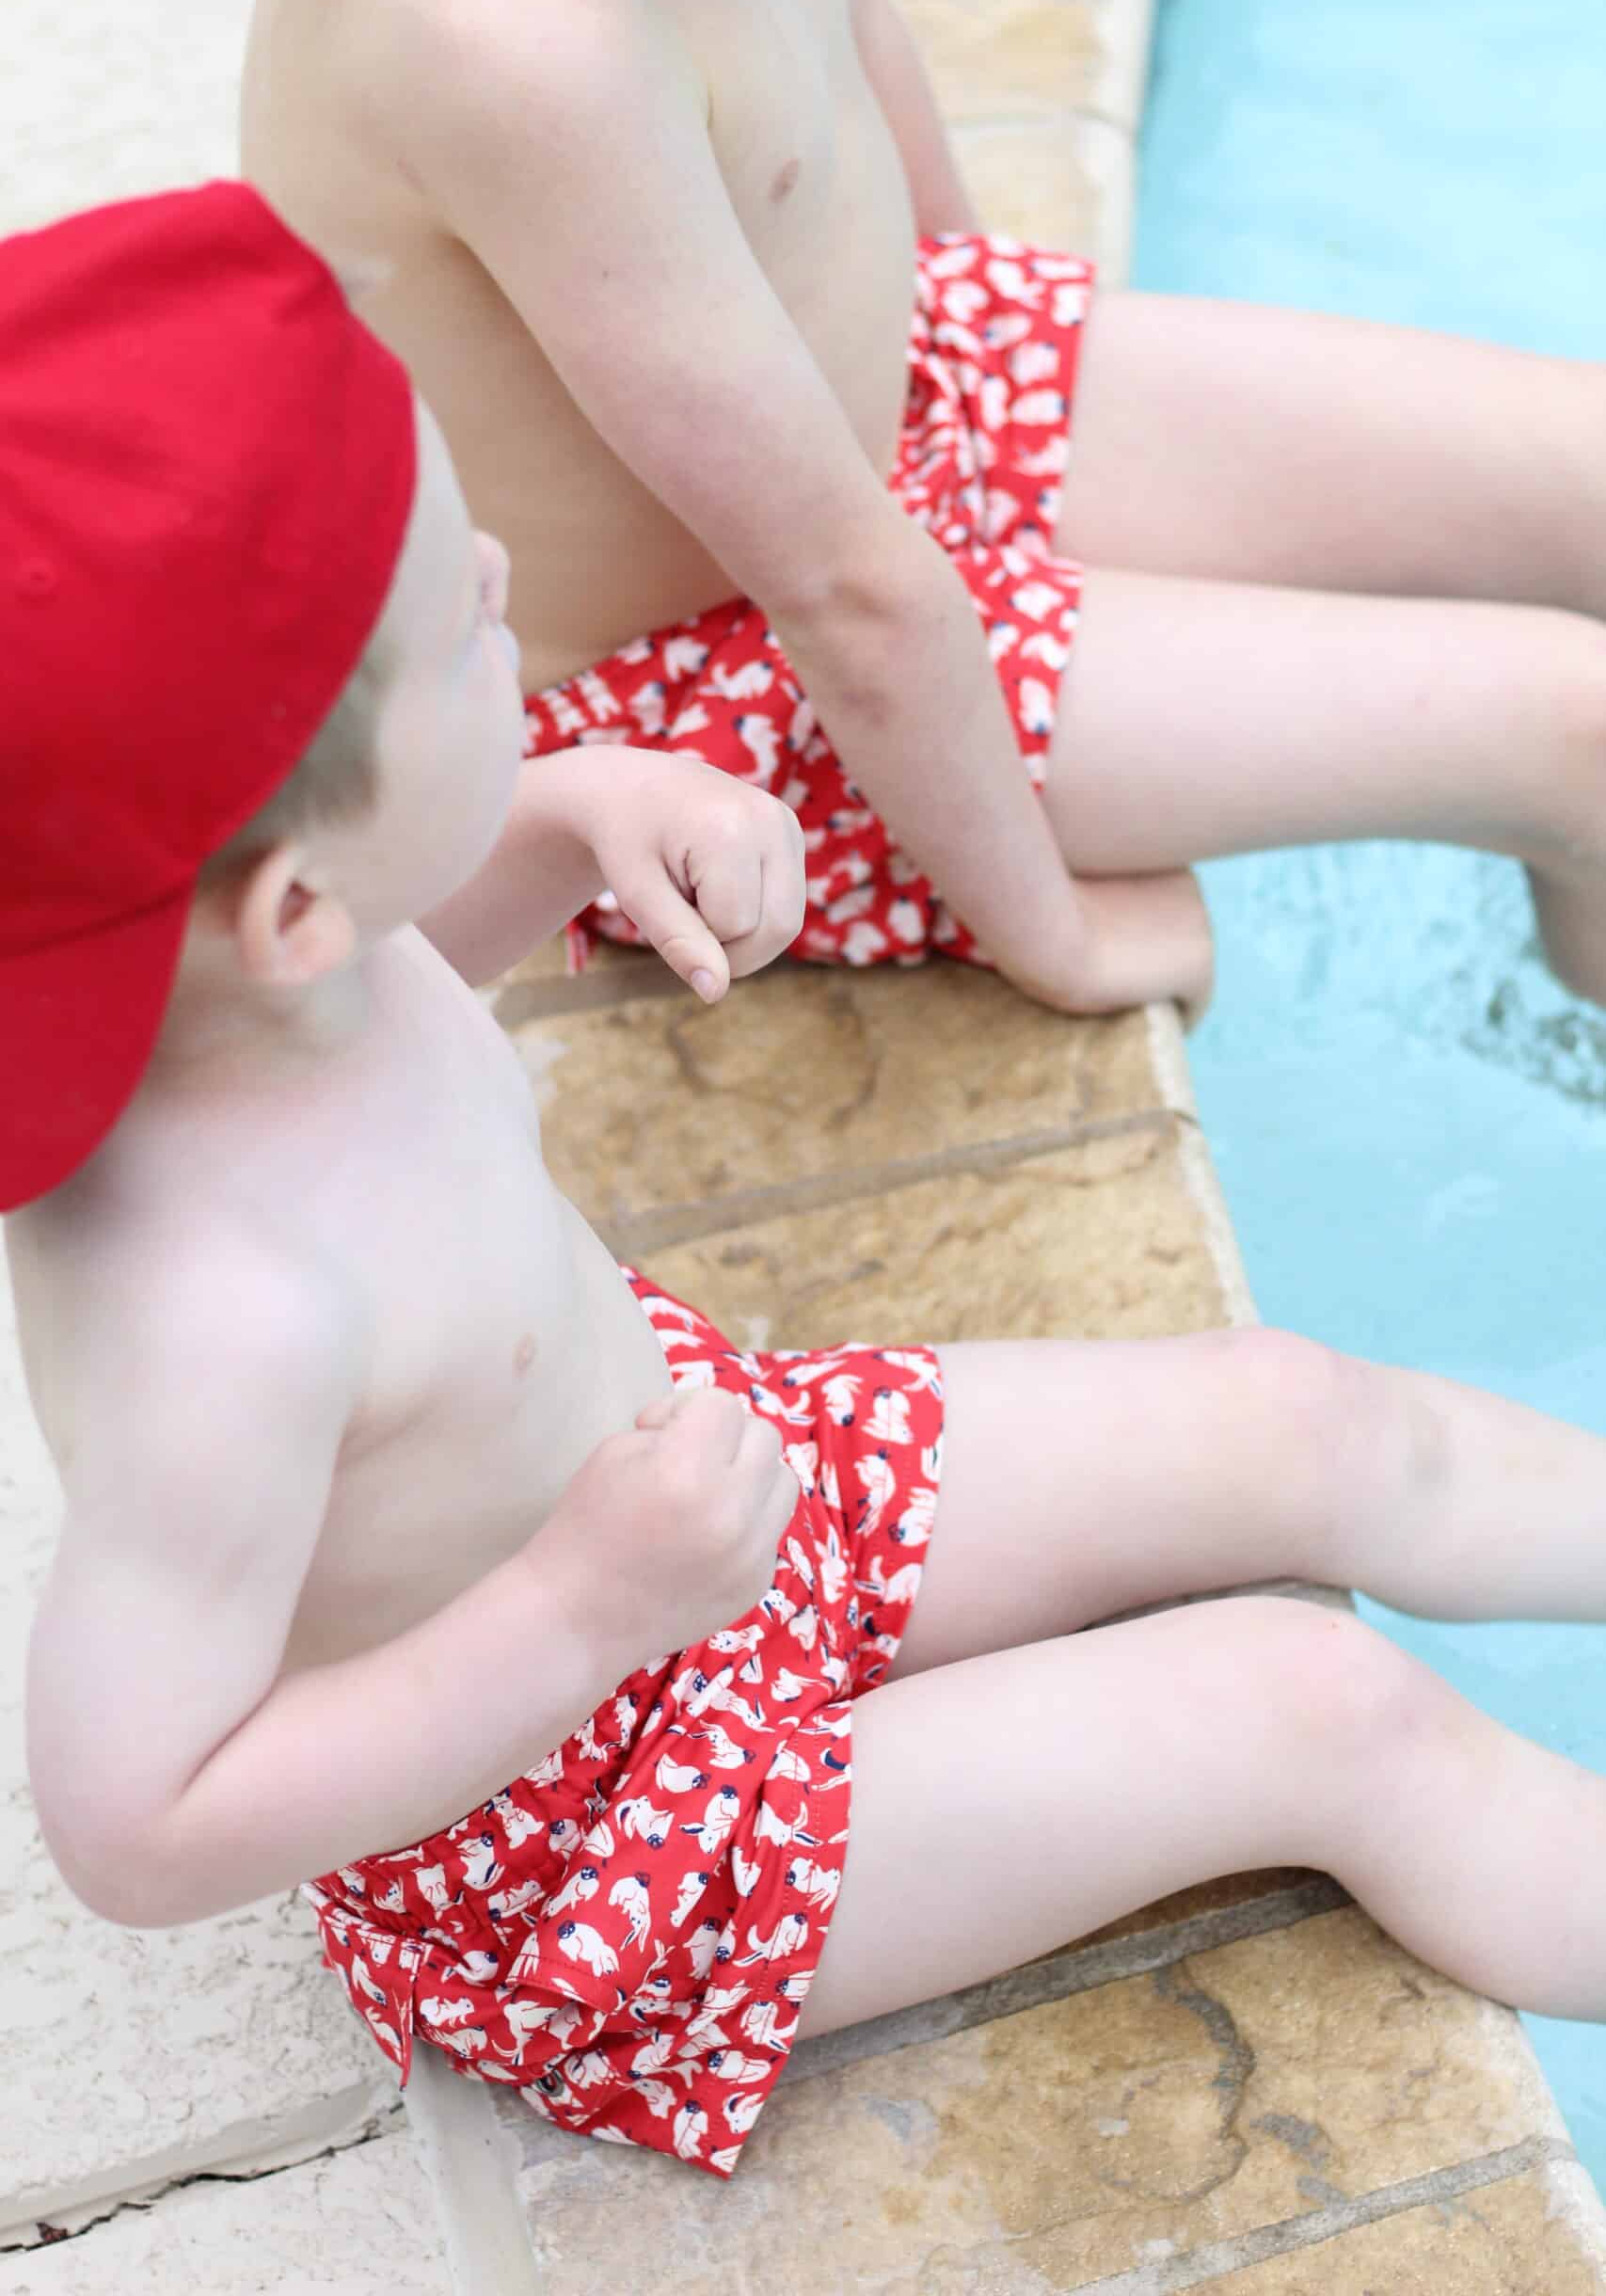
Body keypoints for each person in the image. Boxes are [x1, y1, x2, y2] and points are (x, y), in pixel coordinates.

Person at [8, 185, 1605, 2185]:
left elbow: (402, 972)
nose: (504, 566)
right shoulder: (213, 1316)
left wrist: (570, 813)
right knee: (1314, 1709)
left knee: (1303, 1415)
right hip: (620, 1842)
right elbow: (134, 1817)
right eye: (460, 620)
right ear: (294, 904)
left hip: (714, 1481)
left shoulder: (237, 983)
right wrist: (585, 1606)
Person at [241, 0, 1606, 1023]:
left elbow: (845, 24)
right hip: (719, 689)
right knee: (1579, 733)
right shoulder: (509, 33)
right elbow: (847, 595)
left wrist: (984, 351)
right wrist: (1050, 938)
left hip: (916, 408)